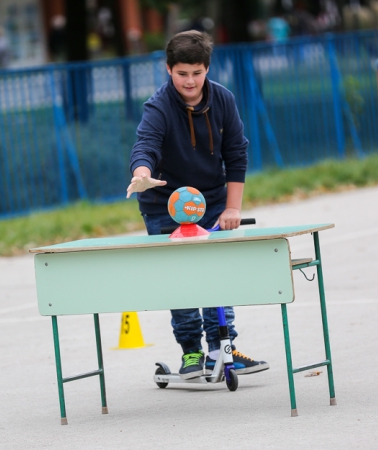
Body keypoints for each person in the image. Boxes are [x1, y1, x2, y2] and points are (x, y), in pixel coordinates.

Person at [126, 30, 269, 380]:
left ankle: (223, 348)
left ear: (207, 68)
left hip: (212, 201)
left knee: (218, 274)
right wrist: (142, 173)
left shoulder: (223, 100)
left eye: (196, 72)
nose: (189, 81)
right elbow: (145, 144)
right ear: (168, 69)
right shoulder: (159, 106)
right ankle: (191, 353)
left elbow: (236, 153)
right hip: (165, 204)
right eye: (181, 73)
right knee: (183, 279)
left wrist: (232, 208)